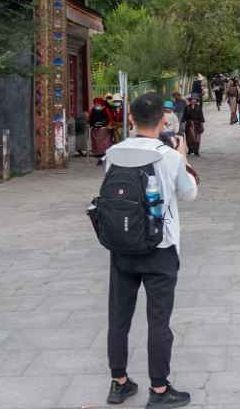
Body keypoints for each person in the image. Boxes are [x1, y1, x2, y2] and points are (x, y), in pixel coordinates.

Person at [102, 91, 198, 408]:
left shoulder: (113, 153)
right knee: (158, 320)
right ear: (162, 120)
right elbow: (189, 194)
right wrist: (182, 156)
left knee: (118, 316)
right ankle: (159, 390)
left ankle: (119, 383)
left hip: (122, 248)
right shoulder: (168, 156)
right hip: (161, 248)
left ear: (130, 119)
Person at [89, 96, 116, 166]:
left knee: (104, 145)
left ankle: (103, 158)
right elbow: (90, 118)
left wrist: (108, 126)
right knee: (99, 146)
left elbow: (110, 119)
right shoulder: (93, 109)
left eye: (98, 102)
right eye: (95, 103)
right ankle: (101, 158)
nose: (97, 104)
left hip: (103, 130)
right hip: (96, 130)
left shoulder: (105, 109)